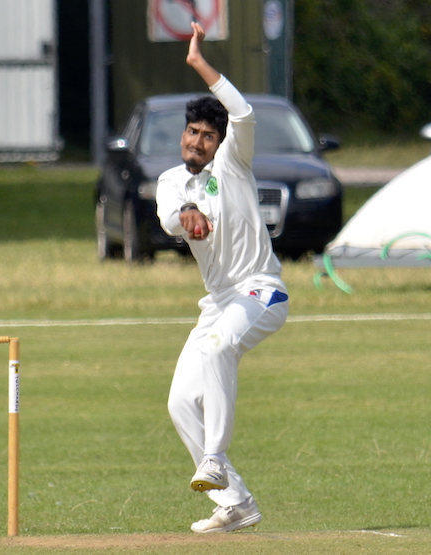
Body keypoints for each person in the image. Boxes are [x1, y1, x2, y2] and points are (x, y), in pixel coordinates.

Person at [155, 22, 290, 534]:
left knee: (216, 351)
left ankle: (213, 457)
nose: (198, 141)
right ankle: (235, 502)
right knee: (179, 401)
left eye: (208, 136)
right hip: (219, 302)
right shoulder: (171, 180)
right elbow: (172, 217)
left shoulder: (235, 162)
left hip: (262, 289)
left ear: (220, 143)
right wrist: (187, 214)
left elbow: (245, 113)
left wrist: (199, 64)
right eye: (193, 132)